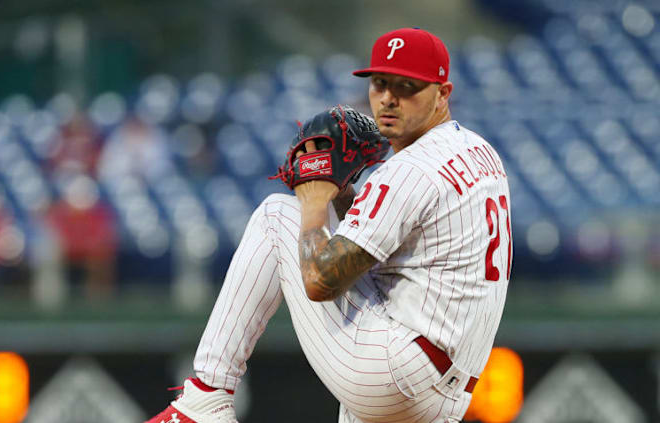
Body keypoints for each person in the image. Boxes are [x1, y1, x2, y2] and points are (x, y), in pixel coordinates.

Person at [147, 28, 512, 423]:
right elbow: (394, 250)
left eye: (407, 87)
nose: (388, 98)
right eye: (380, 84)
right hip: (451, 388)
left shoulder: (408, 170)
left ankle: (205, 399)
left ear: (443, 93)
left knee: (275, 216)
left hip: (398, 372)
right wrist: (343, 194)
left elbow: (321, 282)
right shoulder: (478, 151)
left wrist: (316, 198)